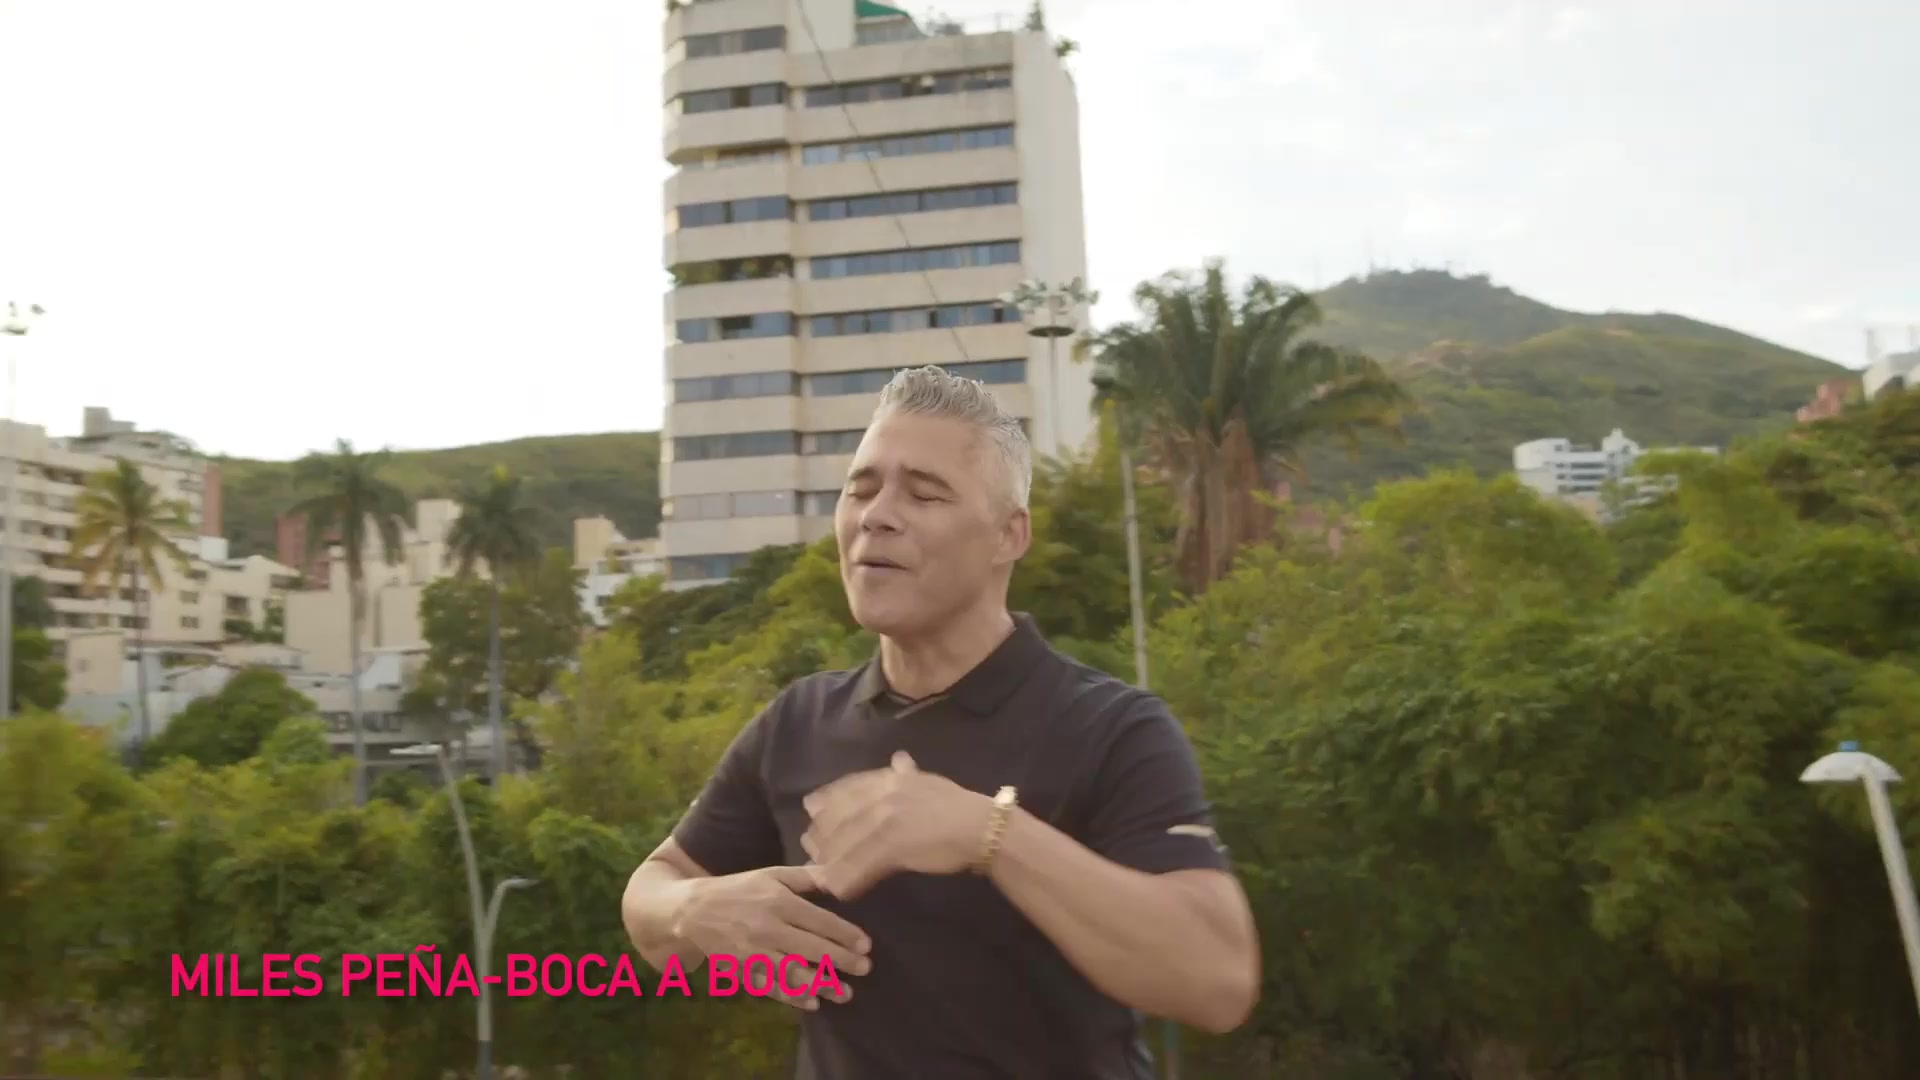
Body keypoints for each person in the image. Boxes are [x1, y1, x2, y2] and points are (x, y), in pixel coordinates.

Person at [620, 365, 1260, 1078]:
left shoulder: (1112, 727)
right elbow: (653, 886)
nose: (877, 515)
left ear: (1008, 535)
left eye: (924, 493)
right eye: (861, 489)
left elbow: (1219, 981)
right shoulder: (799, 720)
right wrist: (696, 909)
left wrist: (988, 834)